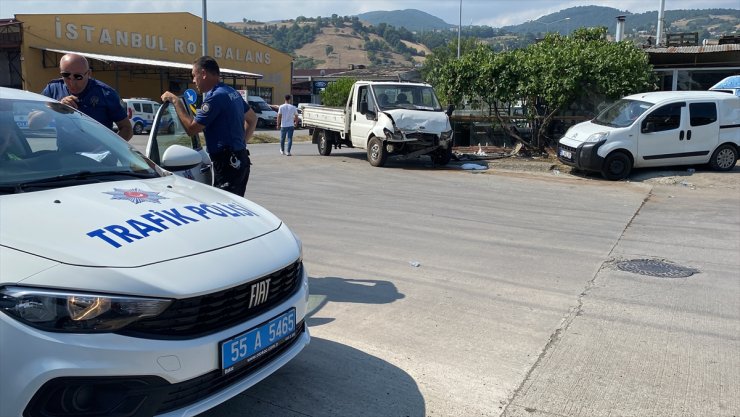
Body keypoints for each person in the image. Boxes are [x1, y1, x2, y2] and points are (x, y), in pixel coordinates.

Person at [161, 56, 257, 196]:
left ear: (204, 74)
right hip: (240, 160)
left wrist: (175, 101)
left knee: (223, 209)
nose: (194, 81)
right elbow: (252, 119)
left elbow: (192, 129)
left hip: (227, 165)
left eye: (194, 76)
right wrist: (241, 144)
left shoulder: (215, 97)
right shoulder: (231, 92)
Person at [41, 53, 133, 141]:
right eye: (66, 75)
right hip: (65, 153)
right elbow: (33, 123)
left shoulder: (105, 94)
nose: (72, 82)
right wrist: (55, 108)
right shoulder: (53, 90)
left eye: (78, 77)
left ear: (89, 73)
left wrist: (110, 149)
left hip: (98, 154)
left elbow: (127, 129)